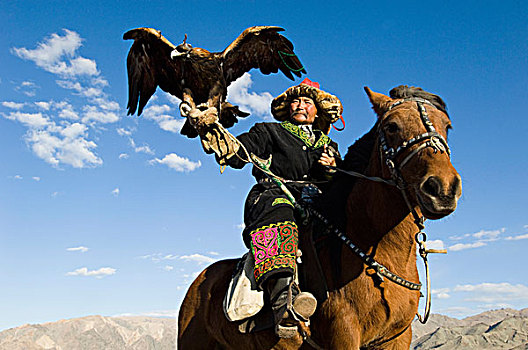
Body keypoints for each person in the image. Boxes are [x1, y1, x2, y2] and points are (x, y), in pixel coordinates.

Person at [214, 78, 343, 336]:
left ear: (317, 110)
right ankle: (284, 303)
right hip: (274, 193)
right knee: (280, 211)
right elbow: (240, 152)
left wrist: (332, 169)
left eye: (307, 102)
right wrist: (215, 133)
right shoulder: (269, 131)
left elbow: (338, 182)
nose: (300, 105)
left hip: (317, 201)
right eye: (296, 101)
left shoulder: (329, 145)